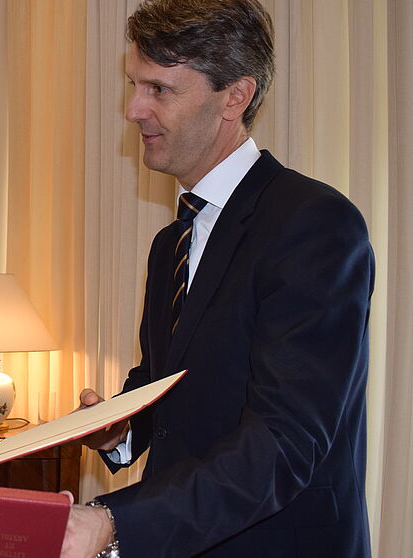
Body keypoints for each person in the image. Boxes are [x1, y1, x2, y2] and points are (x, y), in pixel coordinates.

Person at [62, 1, 374, 556]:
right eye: (134, 84)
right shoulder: (170, 245)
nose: (132, 109)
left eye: (159, 90)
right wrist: (121, 427)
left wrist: (114, 521)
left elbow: (285, 441)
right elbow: (165, 383)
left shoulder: (313, 223)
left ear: (235, 96)